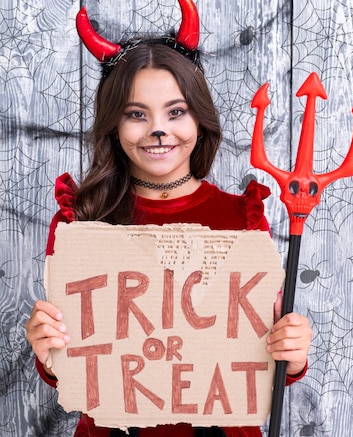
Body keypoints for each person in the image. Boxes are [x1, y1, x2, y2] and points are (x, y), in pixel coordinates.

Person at [24, 3, 312, 437]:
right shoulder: (79, 222)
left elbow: (261, 362)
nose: (158, 130)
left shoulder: (241, 219)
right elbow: (71, 370)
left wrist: (291, 352)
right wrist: (47, 353)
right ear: (114, 124)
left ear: (198, 116)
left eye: (175, 112)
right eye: (136, 114)